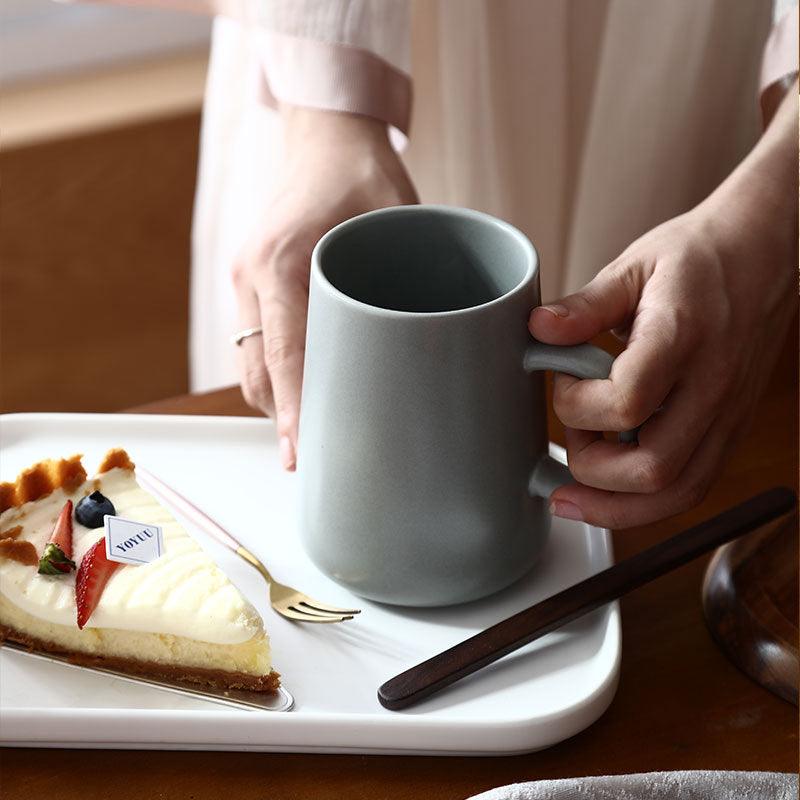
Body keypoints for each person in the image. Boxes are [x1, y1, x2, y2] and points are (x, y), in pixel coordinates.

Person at [116, 1, 800, 527]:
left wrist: (776, 200)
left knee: (663, 384)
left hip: (692, 62)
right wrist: (327, 112)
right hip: (321, 70)